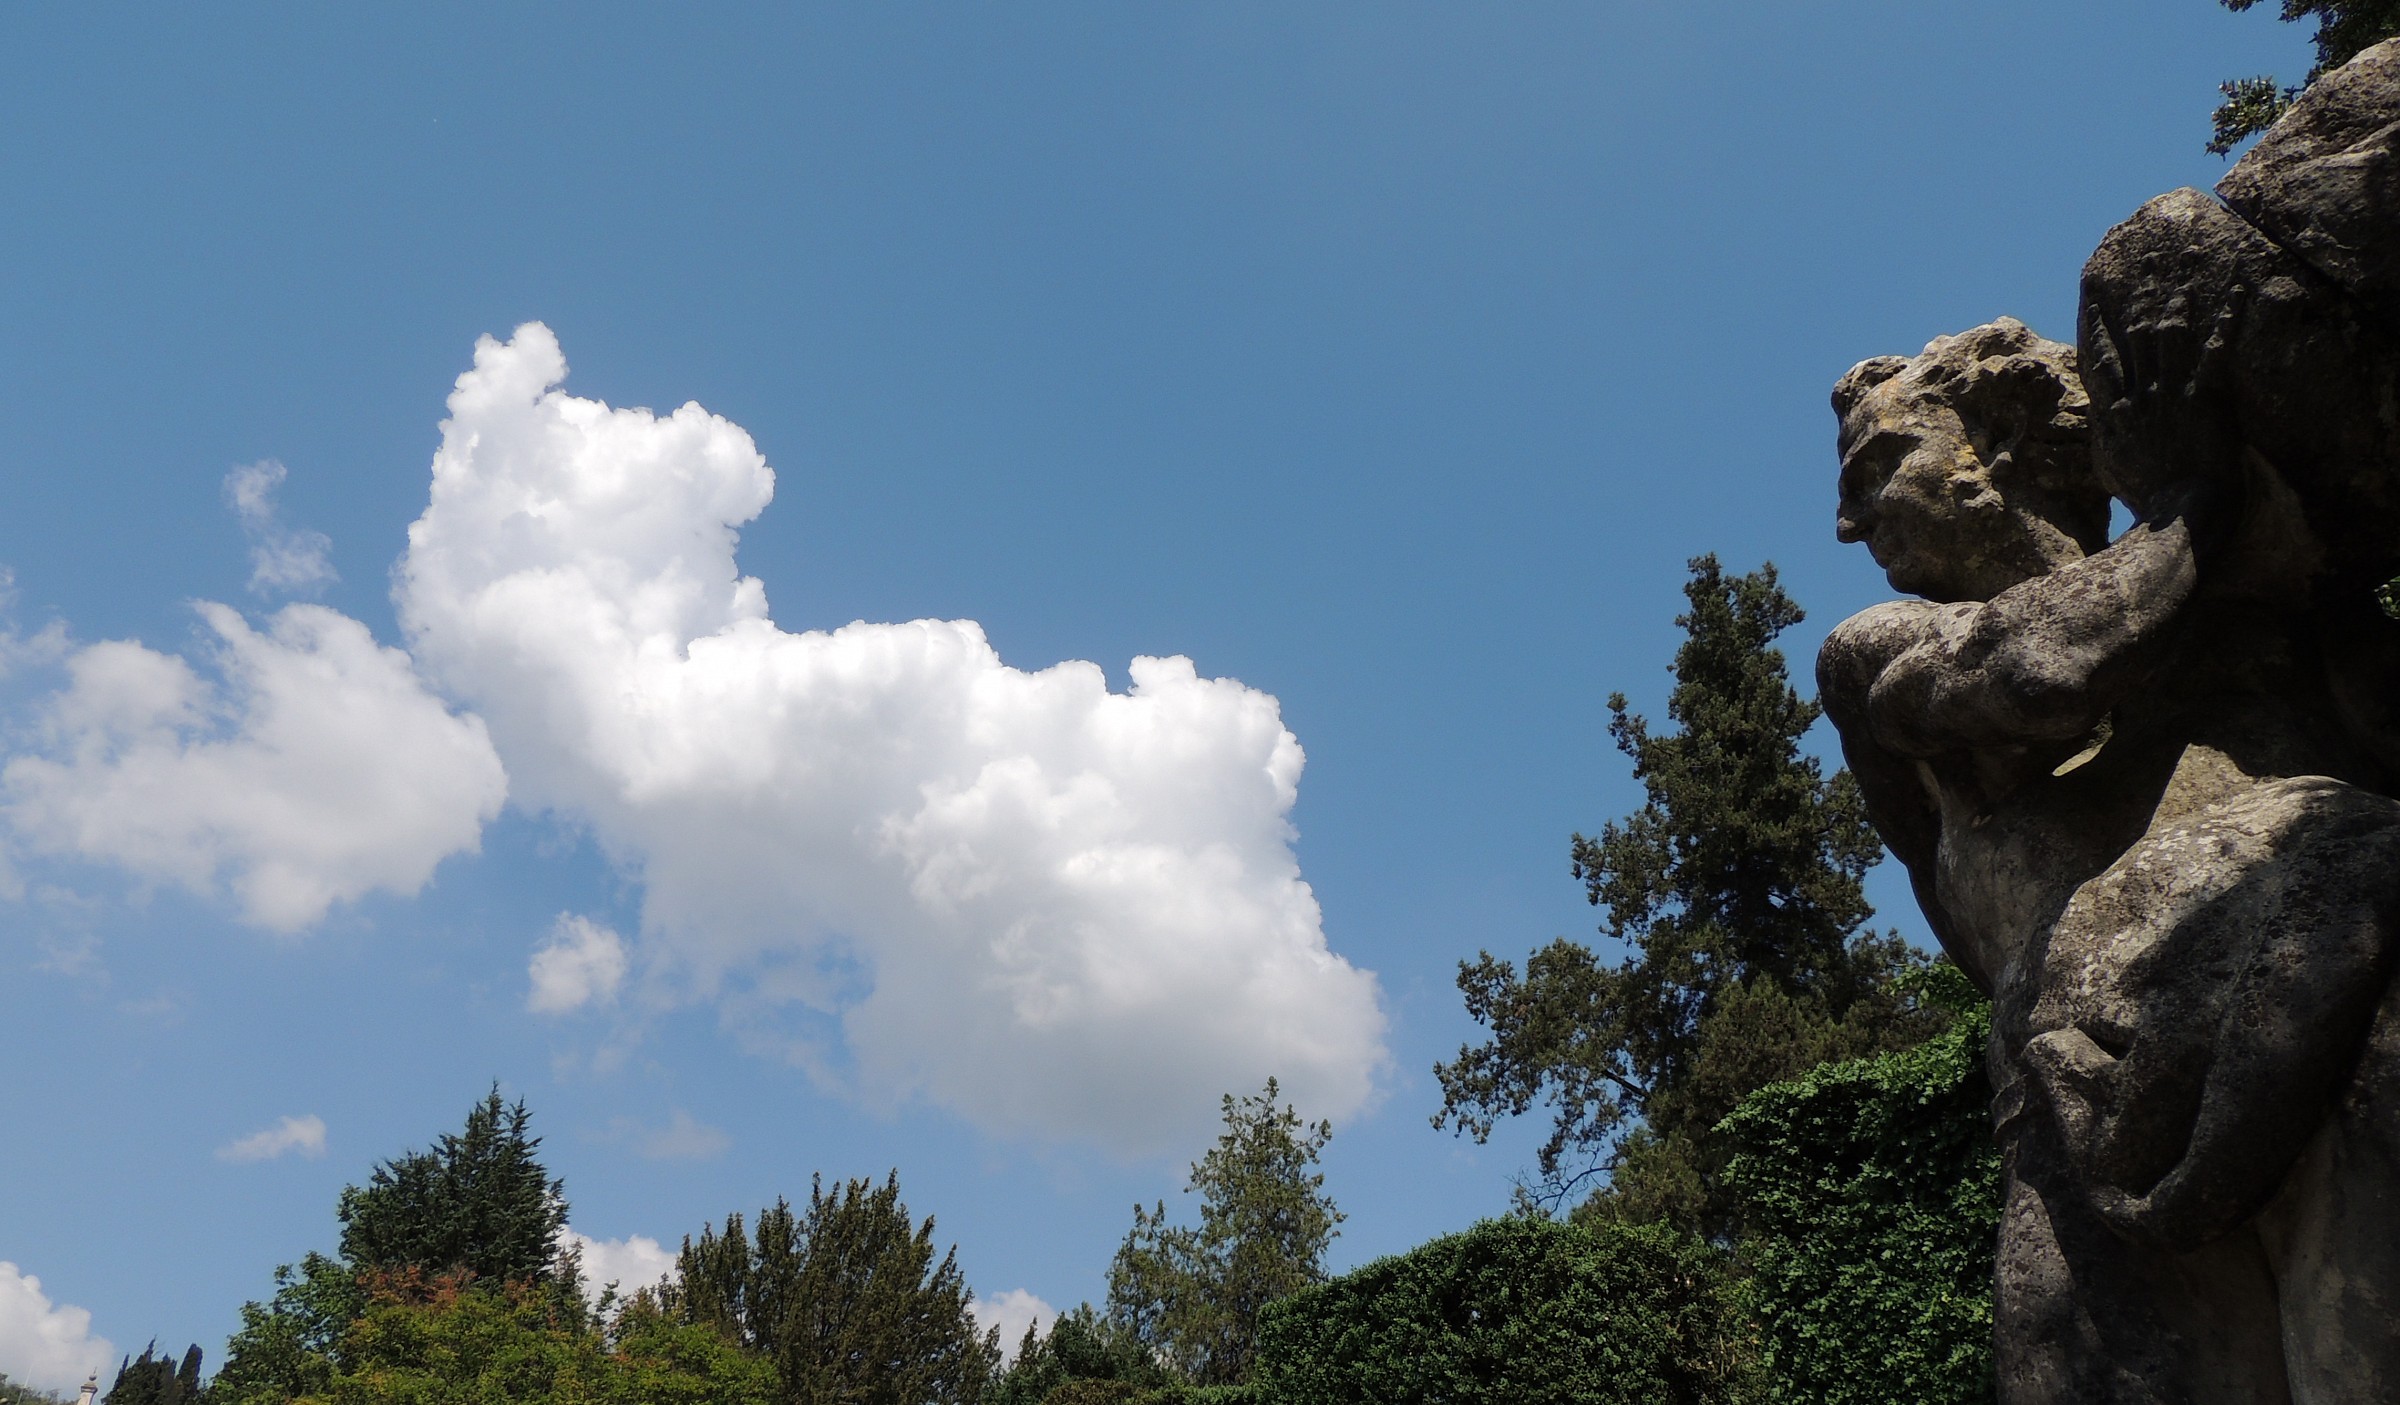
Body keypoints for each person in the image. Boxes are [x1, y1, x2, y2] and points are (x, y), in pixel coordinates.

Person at [1818, 319, 2400, 1403]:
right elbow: (2038, 672)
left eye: (1877, 466)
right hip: (2073, 1119)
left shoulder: (2261, 617)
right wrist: (2195, 499)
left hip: (2324, 996)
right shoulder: (1879, 654)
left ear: (1991, 442)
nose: (1847, 523)